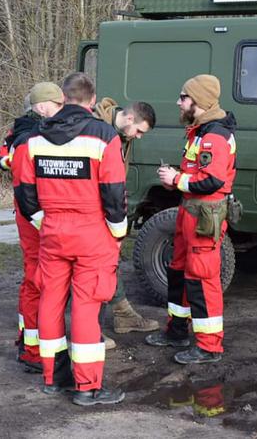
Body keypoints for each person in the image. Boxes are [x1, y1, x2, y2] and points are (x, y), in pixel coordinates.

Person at [14, 72, 126, 406]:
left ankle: (53, 378)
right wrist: (117, 233)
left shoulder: (34, 137)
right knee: (86, 307)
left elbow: (24, 191)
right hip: (92, 233)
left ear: (63, 98)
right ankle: (87, 387)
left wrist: (42, 221)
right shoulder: (105, 136)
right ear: (92, 101)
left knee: (50, 301)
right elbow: (114, 192)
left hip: (52, 232)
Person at [145, 74, 237, 365]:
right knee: (178, 271)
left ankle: (209, 347)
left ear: (198, 101)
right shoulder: (199, 132)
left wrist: (177, 179)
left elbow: (212, 181)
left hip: (204, 215)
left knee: (202, 278)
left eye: (183, 97)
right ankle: (176, 330)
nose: (178, 102)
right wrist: (176, 180)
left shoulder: (214, 137)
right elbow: (197, 175)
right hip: (190, 211)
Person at [7, 83, 64, 371]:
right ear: (42, 107)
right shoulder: (29, 137)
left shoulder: (21, 133)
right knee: (36, 280)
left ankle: (28, 340)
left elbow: (4, 160)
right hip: (34, 215)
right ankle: (32, 349)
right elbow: (18, 175)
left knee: (35, 279)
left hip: (33, 212)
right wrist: (43, 220)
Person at [93, 98, 159, 348]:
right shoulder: (98, 129)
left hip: (108, 207)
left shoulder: (123, 136)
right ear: (130, 119)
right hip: (91, 210)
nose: (139, 137)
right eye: (140, 131)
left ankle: (123, 314)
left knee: (109, 264)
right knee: (93, 270)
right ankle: (90, 332)